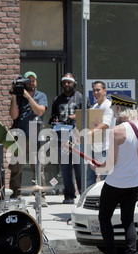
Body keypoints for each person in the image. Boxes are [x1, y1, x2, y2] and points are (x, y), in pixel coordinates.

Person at [91, 94, 138, 254]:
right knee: (128, 221)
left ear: (118, 109)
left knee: (104, 217)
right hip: (134, 182)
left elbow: (110, 163)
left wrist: (97, 169)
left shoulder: (116, 131)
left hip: (116, 183)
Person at [9, 71, 49, 206]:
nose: (31, 82)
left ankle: (40, 196)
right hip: (19, 135)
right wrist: (14, 95)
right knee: (16, 168)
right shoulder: (19, 97)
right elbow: (14, 116)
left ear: (36, 81)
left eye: (33, 80)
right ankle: (16, 194)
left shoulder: (41, 96)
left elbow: (39, 111)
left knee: (38, 167)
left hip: (36, 137)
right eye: (28, 80)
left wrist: (28, 97)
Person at [50, 73, 89, 204]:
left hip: (78, 136)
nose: (67, 84)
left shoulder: (81, 98)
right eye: (64, 82)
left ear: (74, 83)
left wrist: (75, 117)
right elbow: (53, 118)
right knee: (66, 167)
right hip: (62, 137)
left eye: (69, 82)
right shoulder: (57, 99)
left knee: (79, 166)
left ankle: (83, 194)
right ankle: (69, 195)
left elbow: (88, 116)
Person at [86, 81, 116, 187]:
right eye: (94, 90)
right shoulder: (94, 107)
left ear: (105, 91)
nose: (96, 92)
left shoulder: (108, 106)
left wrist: (90, 132)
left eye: (98, 90)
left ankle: (106, 201)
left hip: (105, 147)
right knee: (89, 176)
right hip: (94, 147)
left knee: (105, 177)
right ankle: (87, 200)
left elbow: (106, 125)